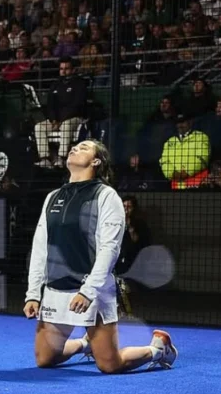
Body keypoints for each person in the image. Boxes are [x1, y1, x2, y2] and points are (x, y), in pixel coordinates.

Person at [23, 140, 178, 373]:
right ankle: (86, 344)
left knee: (109, 365)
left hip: (91, 290)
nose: (75, 148)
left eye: (84, 148)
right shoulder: (53, 196)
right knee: (45, 359)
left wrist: (88, 290)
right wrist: (34, 293)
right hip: (56, 289)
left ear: (96, 161)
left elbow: (110, 248)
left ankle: (158, 349)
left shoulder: (106, 196)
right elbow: (40, 247)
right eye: (75, 147)